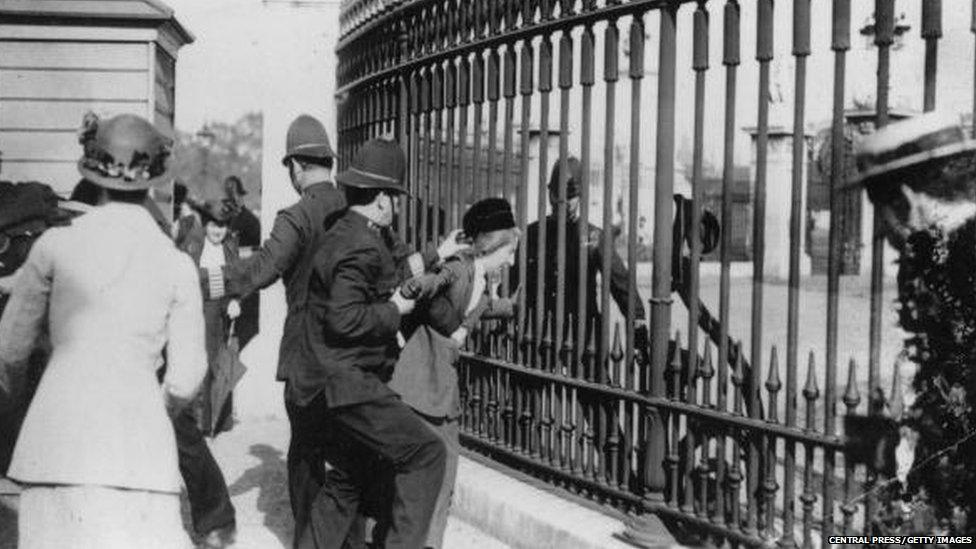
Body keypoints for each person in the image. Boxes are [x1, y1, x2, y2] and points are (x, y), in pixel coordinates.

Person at [0, 113, 206, 548]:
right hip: (140, 457)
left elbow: (10, 351)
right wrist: (150, 409)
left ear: (92, 171)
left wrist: (23, 408)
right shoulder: (175, 264)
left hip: (53, 449)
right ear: (153, 178)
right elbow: (187, 377)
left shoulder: (53, 245)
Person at [297, 138, 447, 549]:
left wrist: (433, 258)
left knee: (346, 481)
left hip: (326, 382)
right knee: (427, 455)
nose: (396, 207)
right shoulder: (360, 244)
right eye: (395, 199)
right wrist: (395, 309)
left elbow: (381, 277)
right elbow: (344, 318)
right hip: (349, 385)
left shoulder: (345, 230)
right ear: (382, 199)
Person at [385, 197, 520, 548]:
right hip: (423, 383)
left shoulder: (478, 276)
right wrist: (418, 286)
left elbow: (480, 306)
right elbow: (438, 280)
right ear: (497, 245)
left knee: (438, 473)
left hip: (435, 387)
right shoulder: (460, 268)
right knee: (436, 472)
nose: (512, 261)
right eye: (510, 253)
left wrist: (510, 307)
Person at [512, 156, 649, 365]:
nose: (564, 202)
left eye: (571, 196)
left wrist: (638, 323)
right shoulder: (533, 233)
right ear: (549, 194)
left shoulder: (594, 237)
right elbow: (514, 281)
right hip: (539, 331)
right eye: (558, 195)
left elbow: (620, 283)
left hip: (584, 333)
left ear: (580, 196)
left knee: (594, 394)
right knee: (535, 392)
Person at [187, 199, 242, 436]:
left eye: (223, 225)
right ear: (205, 224)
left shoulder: (230, 246)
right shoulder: (193, 244)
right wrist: (217, 278)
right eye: (213, 225)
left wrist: (235, 300)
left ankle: (217, 419)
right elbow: (190, 278)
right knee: (201, 363)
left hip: (221, 313)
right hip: (199, 311)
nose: (217, 231)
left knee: (221, 364)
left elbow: (237, 277)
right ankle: (199, 422)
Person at [222, 175, 261, 348]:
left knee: (240, 335)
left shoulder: (250, 221)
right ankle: (222, 373)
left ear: (241, 195)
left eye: (235, 194)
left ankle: (233, 371)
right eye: (228, 195)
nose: (232, 199)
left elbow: (256, 255)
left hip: (244, 284)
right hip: (225, 282)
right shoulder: (222, 221)